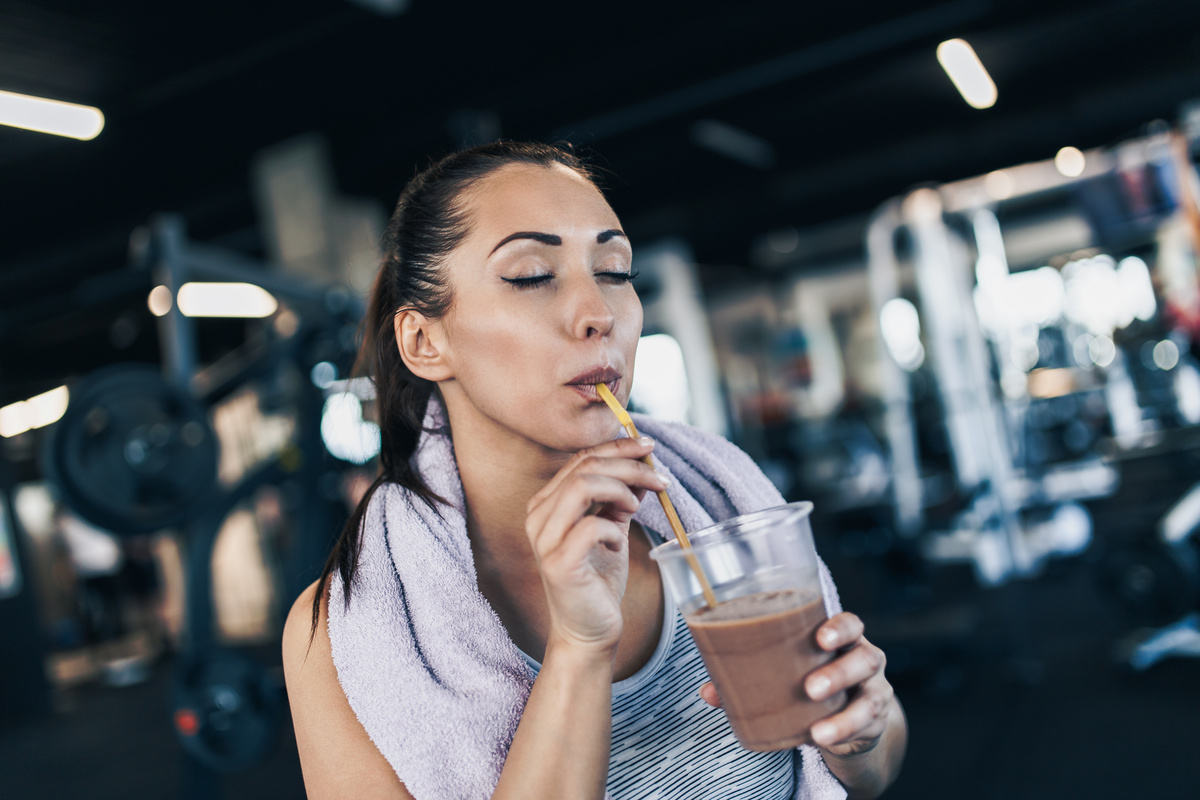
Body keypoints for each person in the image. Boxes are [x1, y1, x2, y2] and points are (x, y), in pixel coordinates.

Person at [281, 141, 907, 800]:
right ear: (424, 341)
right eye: (530, 275)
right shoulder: (340, 637)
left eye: (613, 270)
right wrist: (579, 648)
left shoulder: (719, 505)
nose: (599, 313)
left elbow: (870, 768)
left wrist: (864, 734)